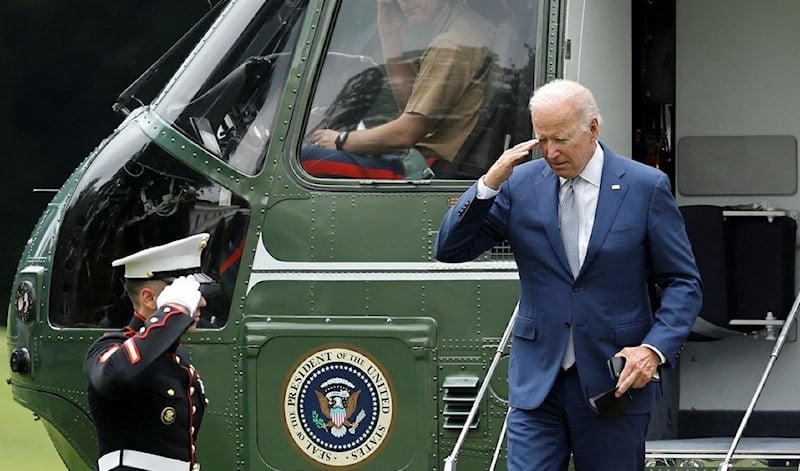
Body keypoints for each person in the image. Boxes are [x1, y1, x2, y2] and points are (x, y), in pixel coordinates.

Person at [435, 79, 702, 470]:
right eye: (542, 140)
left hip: (616, 382)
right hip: (537, 385)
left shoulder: (644, 187)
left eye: (561, 138)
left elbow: (683, 283)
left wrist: (653, 350)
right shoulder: (519, 186)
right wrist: (489, 183)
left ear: (593, 128)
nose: (551, 152)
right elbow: (450, 250)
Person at [301, 0, 495, 179]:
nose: (404, 3)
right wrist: (390, 34)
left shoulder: (452, 45)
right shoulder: (467, 28)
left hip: (429, 169)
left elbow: (407, 132)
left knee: (304, 159)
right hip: (430, 160)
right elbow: (412, 104)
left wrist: (341, 140)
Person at [84, 233, 216, 471]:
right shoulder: (109, 347)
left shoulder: (177, 358)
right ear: (148, 298)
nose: (201, 304)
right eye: (188, 295)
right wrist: (173, 312)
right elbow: (114, 376)